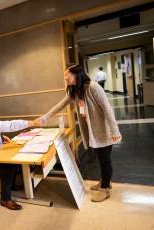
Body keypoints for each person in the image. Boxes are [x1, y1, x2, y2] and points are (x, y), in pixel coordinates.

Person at [39, 65, 121, 202]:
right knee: (101, 158)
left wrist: (114, 130)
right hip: (93, 131)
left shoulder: (93, 87)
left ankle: (105, 189)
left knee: (105, 159)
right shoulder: (75, 91)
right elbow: (60, 105)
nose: (65, 78)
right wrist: (44, 118)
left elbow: (107, 109)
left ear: (76, 74)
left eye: (67, 75)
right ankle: (105, 181)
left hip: (104, 130)